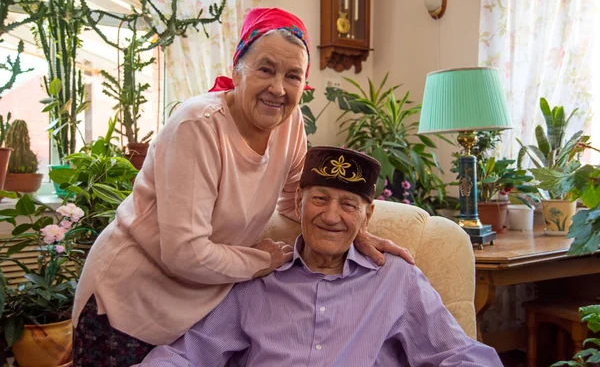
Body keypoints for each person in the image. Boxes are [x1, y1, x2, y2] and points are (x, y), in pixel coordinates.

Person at [72, 8, 413, 366]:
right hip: (130, 304)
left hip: (197, 315)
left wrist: (351, 230)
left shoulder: (290, 122)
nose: (278, 88)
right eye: (265, 69)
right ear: (237, 69)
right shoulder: (197, 127)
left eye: (293, 76)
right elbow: (184, 252)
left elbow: (297, 200)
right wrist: (262, 260)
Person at [136, 146, 503, 367]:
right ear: (299, 203)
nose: (331, 216)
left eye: (347, 204)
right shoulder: (260, 276)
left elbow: (458, 353)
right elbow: (190, 353)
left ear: (366, 217)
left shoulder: (396, 278)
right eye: (320, 199)